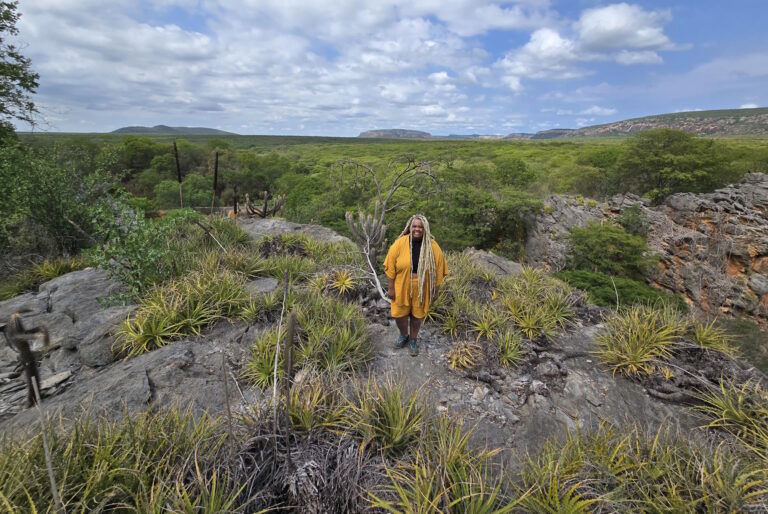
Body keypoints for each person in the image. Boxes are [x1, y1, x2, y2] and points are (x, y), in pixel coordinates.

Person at [383, 214, 449, 356]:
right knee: (399, 314)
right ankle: (403, 335)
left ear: (425, 228)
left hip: (422, 286)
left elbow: (439, 270)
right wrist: (390, 288)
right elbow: (389, 266)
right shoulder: (400, 243)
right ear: (410, 227)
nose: (417, 229)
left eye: (420, 226)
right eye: (414, 226)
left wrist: (435, 291)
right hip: (401, 284)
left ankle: (413, 339)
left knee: (417, 316)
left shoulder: (433, 246)